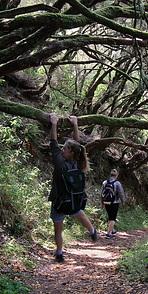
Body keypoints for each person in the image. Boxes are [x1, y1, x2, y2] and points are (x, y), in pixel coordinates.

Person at [48, 113, 97, 263]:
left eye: (65, 148)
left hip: (59, 202)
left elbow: (53, 141)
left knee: (58, 229)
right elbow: (77, 144)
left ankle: (60, 252)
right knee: (80, 214)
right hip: (74, 200)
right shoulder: (78, 162)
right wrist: (75, 124)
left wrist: (54, 123)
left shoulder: (60, 163)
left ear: (71, 152)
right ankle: (93, 231)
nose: (62, 149)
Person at [101, 169, 125, 239]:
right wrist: (122, 201)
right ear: (116, 175)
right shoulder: (117, 183)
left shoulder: (105, 182)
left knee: (110, 216)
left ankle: (112, 230)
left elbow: (101, 193)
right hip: (114, 202)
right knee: (113, 218)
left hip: (106, 202)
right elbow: (121, 193)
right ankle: (108, 233)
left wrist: (102, 202)